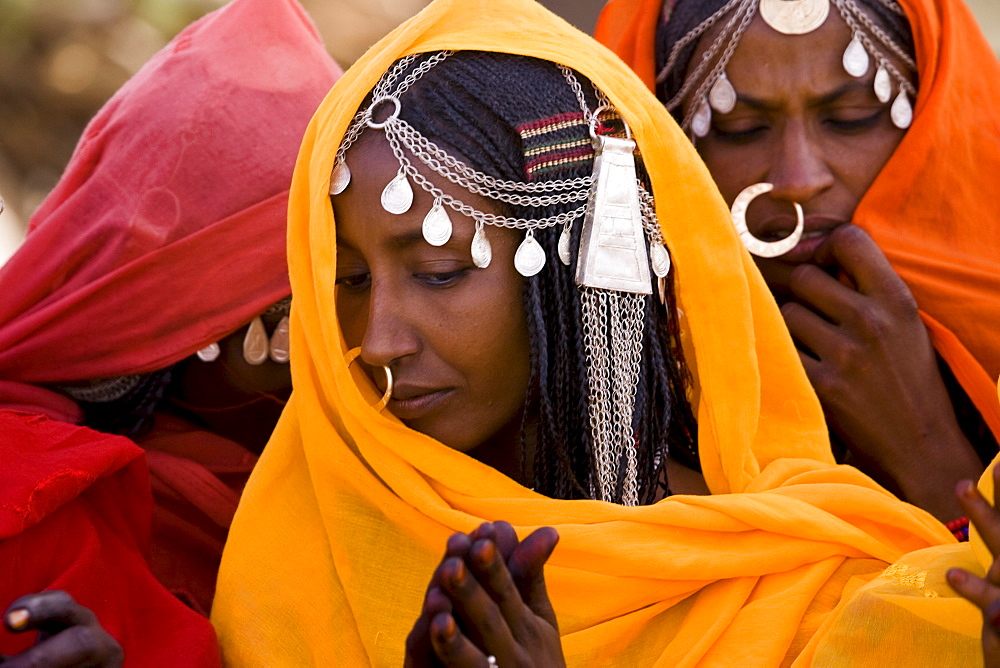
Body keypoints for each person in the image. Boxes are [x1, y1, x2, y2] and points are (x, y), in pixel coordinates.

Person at [210, 0, 973, 664]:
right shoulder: (289, 557)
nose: (375, 342)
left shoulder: (809, 575)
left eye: (440, 270)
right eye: (345, 280)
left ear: (579, 271)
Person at [0, 0, 339, 662]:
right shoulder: (40, 509)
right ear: (203, 319)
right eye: (331, 293)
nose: (375, 339)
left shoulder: (357, 482)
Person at [594, 0, 1000, 524]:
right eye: (739, 127)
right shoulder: (607, 385)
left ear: (935, 123)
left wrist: (927, 447)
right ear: (661, 144)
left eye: (850, 120)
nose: (798, 179)